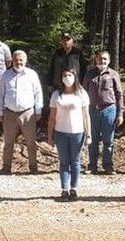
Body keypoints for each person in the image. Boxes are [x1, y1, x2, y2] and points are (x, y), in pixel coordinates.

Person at [47, 68, 91, 201]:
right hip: (61, 132)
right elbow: (52, 118)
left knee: (75, 161)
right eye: (64, 75)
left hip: (77, 132)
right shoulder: (56, 95)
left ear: (75, 76)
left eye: (70, 75)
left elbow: (86, 116)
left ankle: (74, 189)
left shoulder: (82, 94)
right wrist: (50, 136)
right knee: (64, 162)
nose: (67, 77)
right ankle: (64, 189)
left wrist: (89, 134)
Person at [0, 50, 43, 174]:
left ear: (25, 61)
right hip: (9, 113)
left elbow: (38, 93)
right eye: (16, 59)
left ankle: (33, 167)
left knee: (31, 142)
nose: (18, 62)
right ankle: (6, 167)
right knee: (8, 142)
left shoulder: (32, 74)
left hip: (28, 113)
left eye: (21, 59)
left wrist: (38, 110)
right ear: (12, 60)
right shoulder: (6, 75)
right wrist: (0, 112)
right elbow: (0, 94)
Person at [83, 51, 124, 175]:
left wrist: (120, 113)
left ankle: (108, 166)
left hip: (109, 110)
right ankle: (92, 166)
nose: (102, 61)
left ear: (109, 60)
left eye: (105, 59)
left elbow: (119, 94)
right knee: (93, 139)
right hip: (92, 110)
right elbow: (83, 93)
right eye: (100, 59)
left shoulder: (113, 74)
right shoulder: (89, 74)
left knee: (108, 140)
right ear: (96, 60)